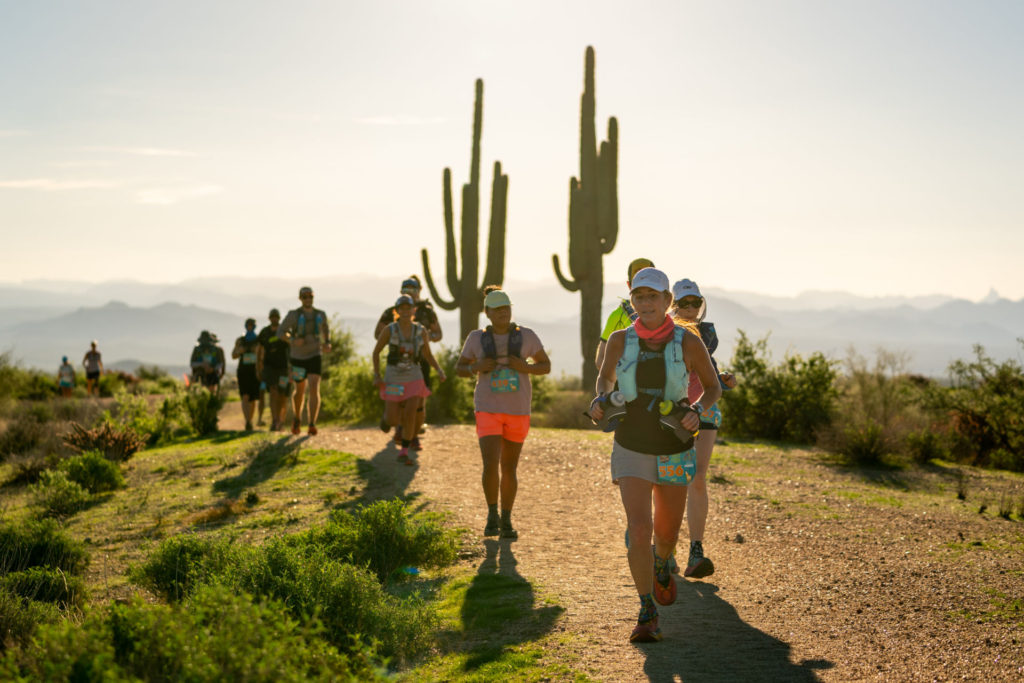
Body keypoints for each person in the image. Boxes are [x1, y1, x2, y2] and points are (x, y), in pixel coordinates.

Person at [589, 267, 722, 643]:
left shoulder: (688, 341)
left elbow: (713, 388)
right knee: (639, 528)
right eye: (639, 297)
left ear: (667, 302)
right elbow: (605, 378)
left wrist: (695, 408)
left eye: (653, 297)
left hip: (675, 444)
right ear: (632, 301)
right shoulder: (619, 339)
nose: (645, 304)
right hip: (630, 443)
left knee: (666, 534)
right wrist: (601, 398)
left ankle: (663, 562)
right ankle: (646, 610)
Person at [455, 286, 551, 540]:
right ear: (487, 312)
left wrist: (525, 368)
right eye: (497, 309)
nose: (502, 313)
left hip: (518, 410)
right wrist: (476, 366)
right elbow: (459, 368)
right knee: (490, 465)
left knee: (509, 467)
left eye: (506, 308)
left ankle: (506, 520)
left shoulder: (526, 336)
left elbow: (545, 366)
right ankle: (491, 515)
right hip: (487, 408)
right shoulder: (476, 338)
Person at [670, 278, 737, 579]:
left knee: (696, 478)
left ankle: (695, 550)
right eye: (684, 303)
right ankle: (666, 550)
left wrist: (722, 379)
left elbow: (705, 371)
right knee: (669, 480)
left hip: (705, 410)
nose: (691, 308)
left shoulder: (706, 335)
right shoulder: (661, 333)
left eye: (695, 302)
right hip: (671, 412)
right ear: (673, 304)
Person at [372, 295, 446, 463]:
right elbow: (376, 352)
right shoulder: (390, 330)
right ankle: (386, 420)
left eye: (408, 308)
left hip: (414, 376)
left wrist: (439, 370)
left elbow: (427, 354)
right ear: (396, 311)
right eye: (402, 309)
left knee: (411, 411)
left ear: (414, 310)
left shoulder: (421, 330)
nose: (405, 311)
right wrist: (377, 375)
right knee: (393, 419)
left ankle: (404, 450)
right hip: (393, 377)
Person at [280, 286, 331, 436]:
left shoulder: (320, 314)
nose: (308, 299)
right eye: (305, 297)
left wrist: (327, 342)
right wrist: (293, 340)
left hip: (315, 354)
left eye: (310, 296)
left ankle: (312, 423)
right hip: (298, 357)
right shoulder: (293, 315)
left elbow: (325, 330)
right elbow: (281, 332)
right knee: (300, 389)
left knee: (314, 387)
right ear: (300, 298)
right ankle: (297, 418)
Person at [595, 258, 655, 372]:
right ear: (629, 285)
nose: (644, 288)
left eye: (649, 282)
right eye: (638, 283)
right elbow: (601, 359)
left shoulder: (669, 317)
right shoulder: (617, 316)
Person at [257, 308, 291, 432]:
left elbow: (291, 345)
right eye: (272, 317)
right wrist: (258, 367)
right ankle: (275, 420)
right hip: (269, 368)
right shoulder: (264, 332)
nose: (274, 319)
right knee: (273, 392)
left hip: (283, 368)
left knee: (282, 395)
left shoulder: (284, 331)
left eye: (276, 317)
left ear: (279, 318)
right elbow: (259, 350)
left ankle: (281, 421)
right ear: (269, 318)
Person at [231, 318, 261, 431]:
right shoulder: (240, 340)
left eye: (251, 325)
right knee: (245, 396)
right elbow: (233, 355)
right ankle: (247, 421)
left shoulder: (258, 340)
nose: (249, 327)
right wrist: (240, 351)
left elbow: (262, 354)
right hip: (243, 371)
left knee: (253, 398)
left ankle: (250, 419)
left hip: (254, 371)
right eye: (248, 325)